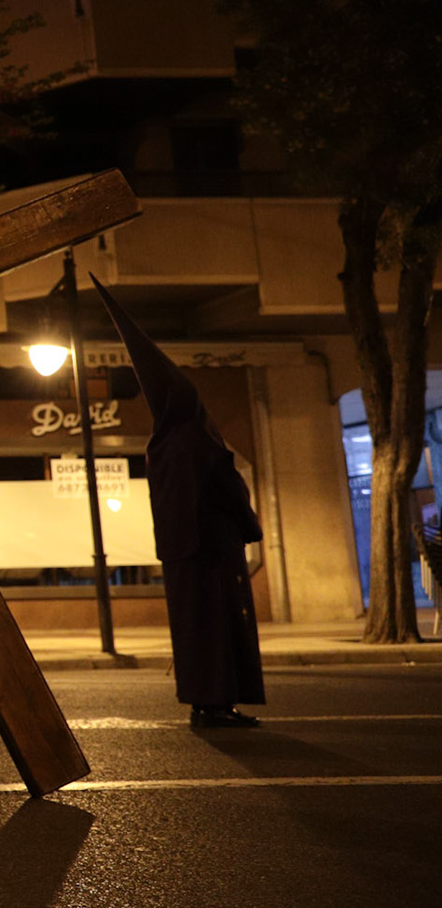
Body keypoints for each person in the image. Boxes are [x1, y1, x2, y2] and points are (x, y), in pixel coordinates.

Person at [92, 277, 265, 727]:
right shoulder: (196, 439)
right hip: (210, 550)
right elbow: (225, 487)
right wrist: (246, 526)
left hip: (182, 553)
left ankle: (204, 700)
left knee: (195, 630)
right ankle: (219, 703)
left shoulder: (163, 442)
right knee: (219, 628)